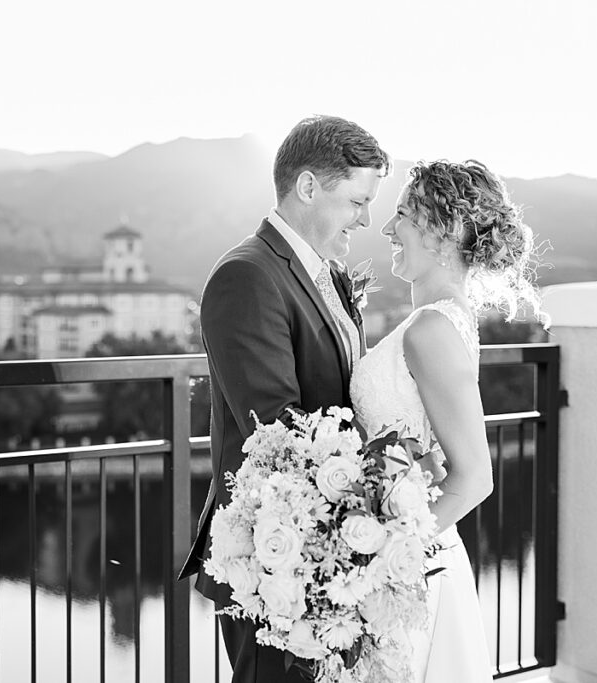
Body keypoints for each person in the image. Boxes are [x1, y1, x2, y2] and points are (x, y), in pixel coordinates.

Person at [178, 115, 390, 682]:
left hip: (324, 545)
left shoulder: (321, 271)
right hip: (273, 556)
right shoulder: (246, 276)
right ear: (308, 187)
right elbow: (274, 430)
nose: (366, 218)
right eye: (356, 201)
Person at [350, 159, 545, 682]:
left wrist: (384, 565)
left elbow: (476, 477)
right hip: (417, 550)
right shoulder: (445, 316)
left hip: (413, 566)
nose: (388, 229)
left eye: (404, 215)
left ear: (446, 230)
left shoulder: (433, 328)